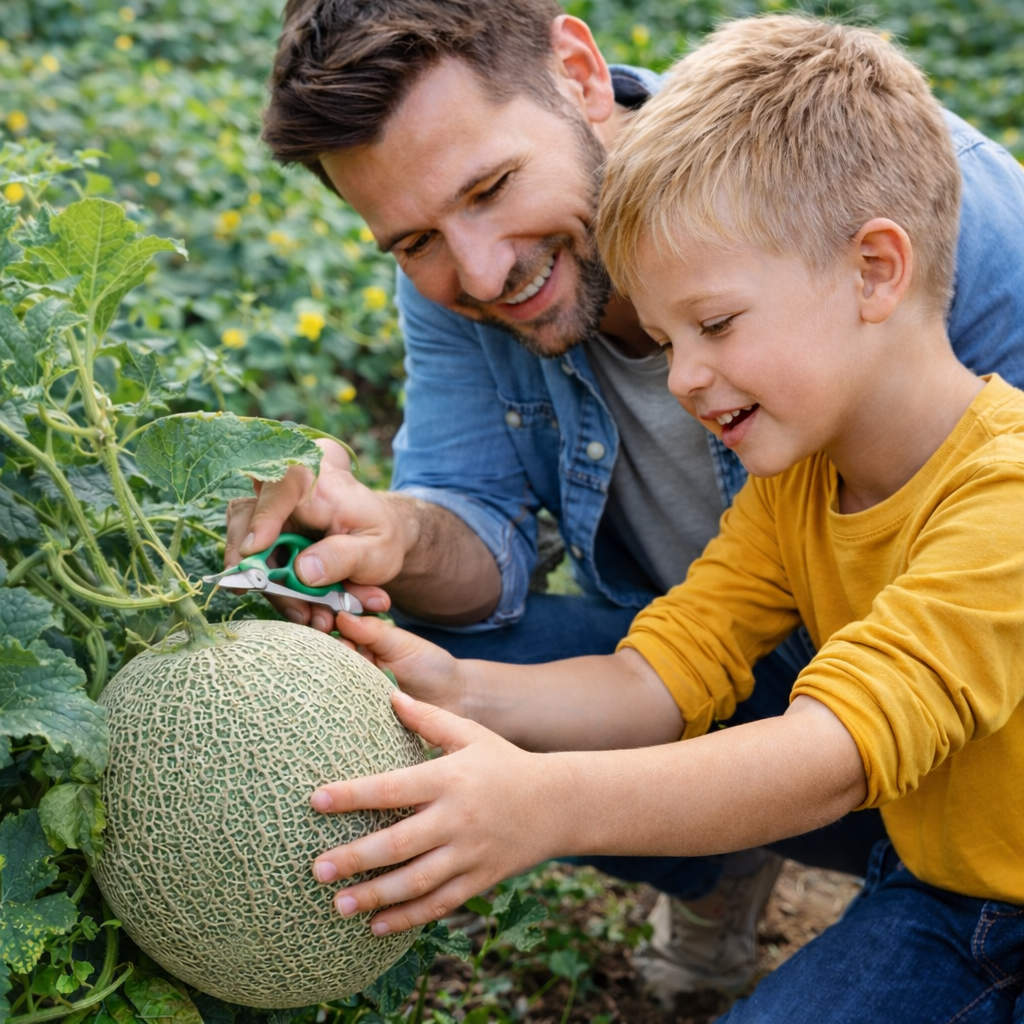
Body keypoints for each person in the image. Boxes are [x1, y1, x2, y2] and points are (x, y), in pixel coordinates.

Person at [231, 0, 1024, 999]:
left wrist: (545, 803)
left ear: (578, 72)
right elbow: (662, 670)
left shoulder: (904, 225)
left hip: (886, 778)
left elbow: (836, 752)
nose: (683, 379)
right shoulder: (795, 488)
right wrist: (457, 687)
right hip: (944, 872)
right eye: (416, 239)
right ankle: (732, 872)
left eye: (715, 325)